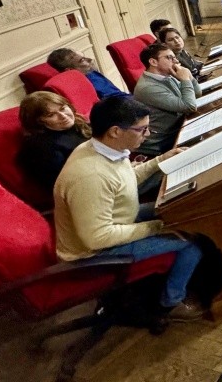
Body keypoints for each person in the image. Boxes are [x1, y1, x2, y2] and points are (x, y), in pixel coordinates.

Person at [54, 96, 204, 321]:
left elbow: (125, 179)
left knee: (177, 206)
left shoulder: (102, 148)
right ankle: (171, 303)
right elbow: (97, 238)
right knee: (190, 243)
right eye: (142, 129)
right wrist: (156, 227)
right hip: (94, 254)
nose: (148, 134)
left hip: (119, 220)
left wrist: (160, 161)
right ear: (115, 131)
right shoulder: (90, 176)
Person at [132, 43, 201, 156]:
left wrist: (189, 77)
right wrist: (185, 80)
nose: (176, 61)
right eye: (170, 58)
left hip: (179, 126)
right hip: (163, 141)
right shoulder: (147, 87)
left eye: (174, 57)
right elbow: (190, 106)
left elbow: (197, 94)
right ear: (153, 62)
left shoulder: (167, 75)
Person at [17, 92, 91, 192]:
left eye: (63, 108)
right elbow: (64, 183)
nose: (63, 116)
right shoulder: (41, 147)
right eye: (51, 115)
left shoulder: (76, 123)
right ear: (38, 121)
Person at [47, 48, 126, 99]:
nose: (89, 60)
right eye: (82, 60)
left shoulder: (90, 72)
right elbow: (115, 100)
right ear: (70, 70)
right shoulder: (88, 83)